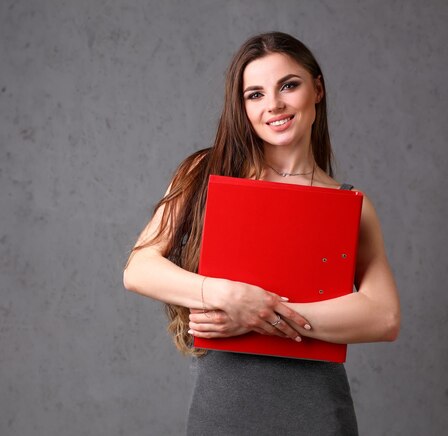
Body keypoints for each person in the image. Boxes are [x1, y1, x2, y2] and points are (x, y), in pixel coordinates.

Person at [123, 31, 400, 435]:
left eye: (288, 85)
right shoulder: (204, 174)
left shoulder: (349, 204)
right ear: (242, 106)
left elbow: (384, 316)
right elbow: (139, 269)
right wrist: (227, 297)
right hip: (223, 409)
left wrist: (256, 316)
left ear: (317, 89)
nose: (274, 105)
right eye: (255, 94)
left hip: (318, 412)